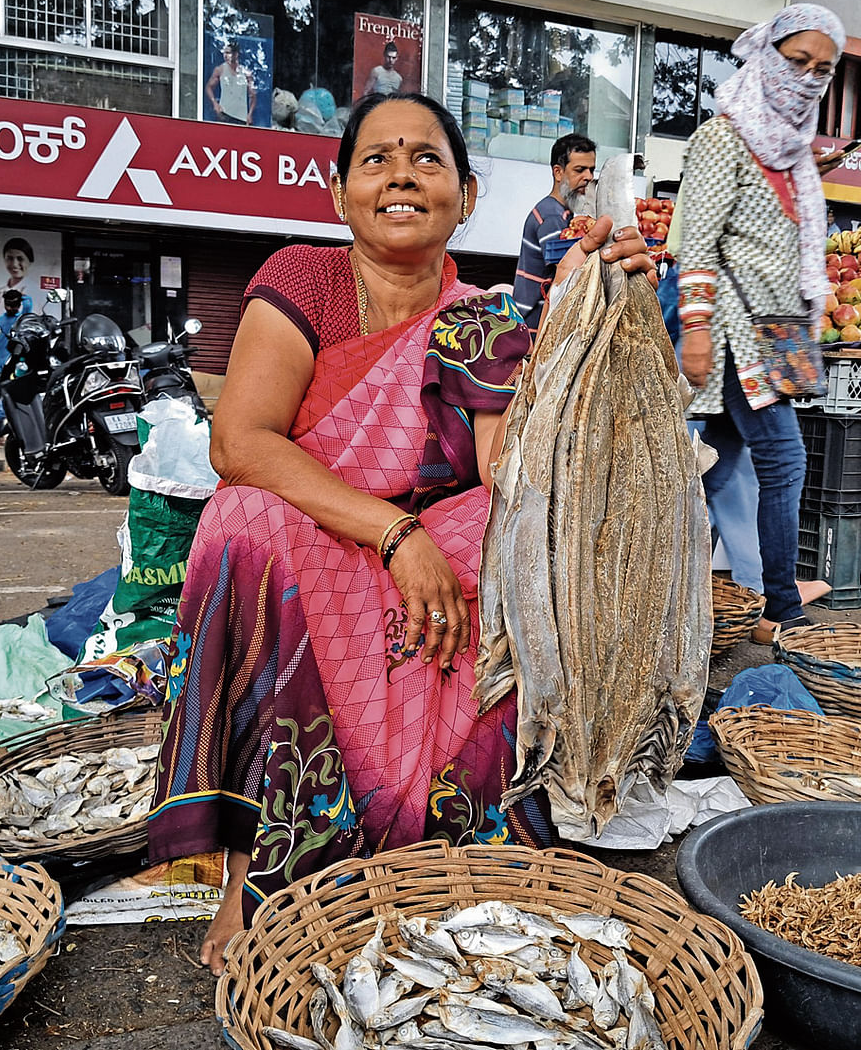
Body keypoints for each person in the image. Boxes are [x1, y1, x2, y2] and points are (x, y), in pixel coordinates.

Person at [147, 92, 655, 975]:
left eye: (427, 159)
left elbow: (515, 473)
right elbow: (241, 442)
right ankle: (252, 866)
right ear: (339, 191)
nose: (401, 176)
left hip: (433, 564)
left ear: (463, 193)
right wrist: (392, 535)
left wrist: (598, 311)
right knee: (240, 520)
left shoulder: (486, 316)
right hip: (325, 540)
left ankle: (453, 834)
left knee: (521, 538)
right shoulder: (302, 278)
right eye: (376, 159)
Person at [677, 4, 845, 639]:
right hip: (731, 332)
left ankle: (689, 595)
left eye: (821, 69)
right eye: (796, 60)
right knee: (784, 460)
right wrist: (694, 328)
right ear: (767, 52)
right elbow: (696, 243)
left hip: (779, 336)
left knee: (714, 472)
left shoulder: (794, 154)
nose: (805, 78)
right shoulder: (722, 139)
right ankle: (781, 606)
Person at [513, 133, 597, 335]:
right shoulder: (551, 216)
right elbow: (567, 271)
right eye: (580, 170)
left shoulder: (563, 214)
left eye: (591, 170)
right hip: (534, 324)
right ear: (558, 172)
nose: (589, 177)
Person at [0, 288, 23, 443]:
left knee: (15, 405)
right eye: (8, 305)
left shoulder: (22, 320)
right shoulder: (1, 320)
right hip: (1, 370)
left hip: (17, 371)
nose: (10, 308)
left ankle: (17, 434)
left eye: (14, 305)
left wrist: (21, 299)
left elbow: (27, 302)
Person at [205, 40, 256, 125]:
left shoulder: (246, 73)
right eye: (224, 52)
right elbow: (209, 87)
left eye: (228, 53)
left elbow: (253, 96)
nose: (225, 56)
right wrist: (215, 103)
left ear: (236, 54)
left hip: (241, 117)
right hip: (224, 114)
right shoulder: (220, 69)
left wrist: (250, 114)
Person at [2, 237, 36, 308]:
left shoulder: (36, 292)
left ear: (30, 261)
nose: (14, 264)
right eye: (10, 258)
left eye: (20, 259)